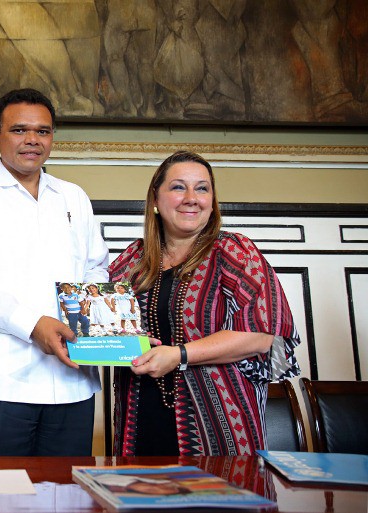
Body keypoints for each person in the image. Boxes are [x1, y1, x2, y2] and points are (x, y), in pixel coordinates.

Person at [0, 88, 109, 456]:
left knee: (66, 499)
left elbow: (96, 268)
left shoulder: (73, 197)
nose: (32, 140)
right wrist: (34, 325)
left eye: (43, 131)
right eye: (19, 130)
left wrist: (89, 324)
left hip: (70, 384)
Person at [109, 150, 300, 456]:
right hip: (141, 415)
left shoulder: (235, 251)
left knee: (221, 500)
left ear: (212, 201)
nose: (191, 198)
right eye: (178, 187)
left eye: (202, 188)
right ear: (155, 200)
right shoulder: (133, 259)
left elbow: (262, 335)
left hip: (222, 421)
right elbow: (100, 327)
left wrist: (179, 354)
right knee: (141, 498)